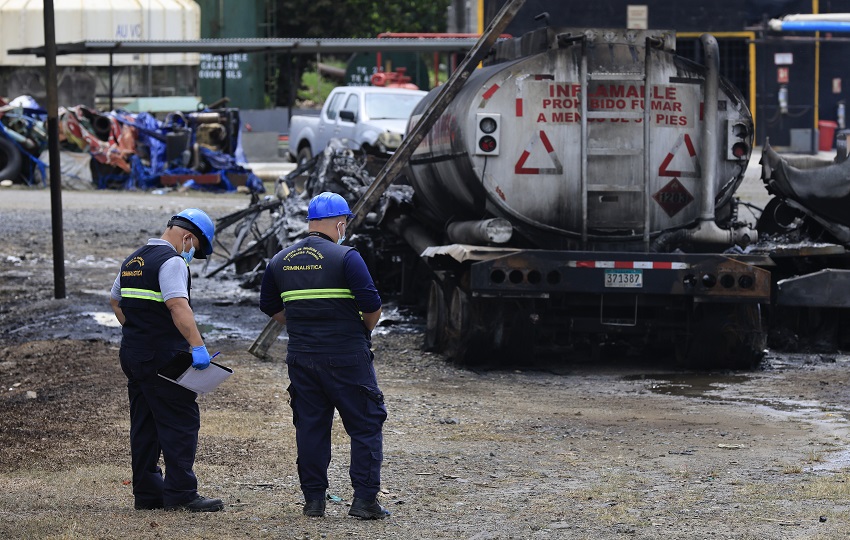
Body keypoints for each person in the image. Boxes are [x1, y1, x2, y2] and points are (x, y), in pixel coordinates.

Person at [259, 192, 390, 520]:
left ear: (310, 223)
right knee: (365, 425)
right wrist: (363, 331)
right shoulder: (347, 257)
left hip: (302, 358)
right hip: (347, 356)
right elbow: (372, 307)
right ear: (340, 223)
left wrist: (302, 323)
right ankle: (364, 502)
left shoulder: (280, 260)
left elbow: (269, 306)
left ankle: (314, 501)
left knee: (311, 428)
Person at [109, 208, 225, 513]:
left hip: (134, 353)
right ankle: (181, 493)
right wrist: (197, 346)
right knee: (180, 422)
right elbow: (177, 305)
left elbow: (115, 299)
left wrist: (137, 331)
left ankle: (148, 494)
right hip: (163, 356)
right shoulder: (172, 261)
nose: (190, 255)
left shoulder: (133, 259)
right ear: (187, 237)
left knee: (144, 424)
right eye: (194, 249)